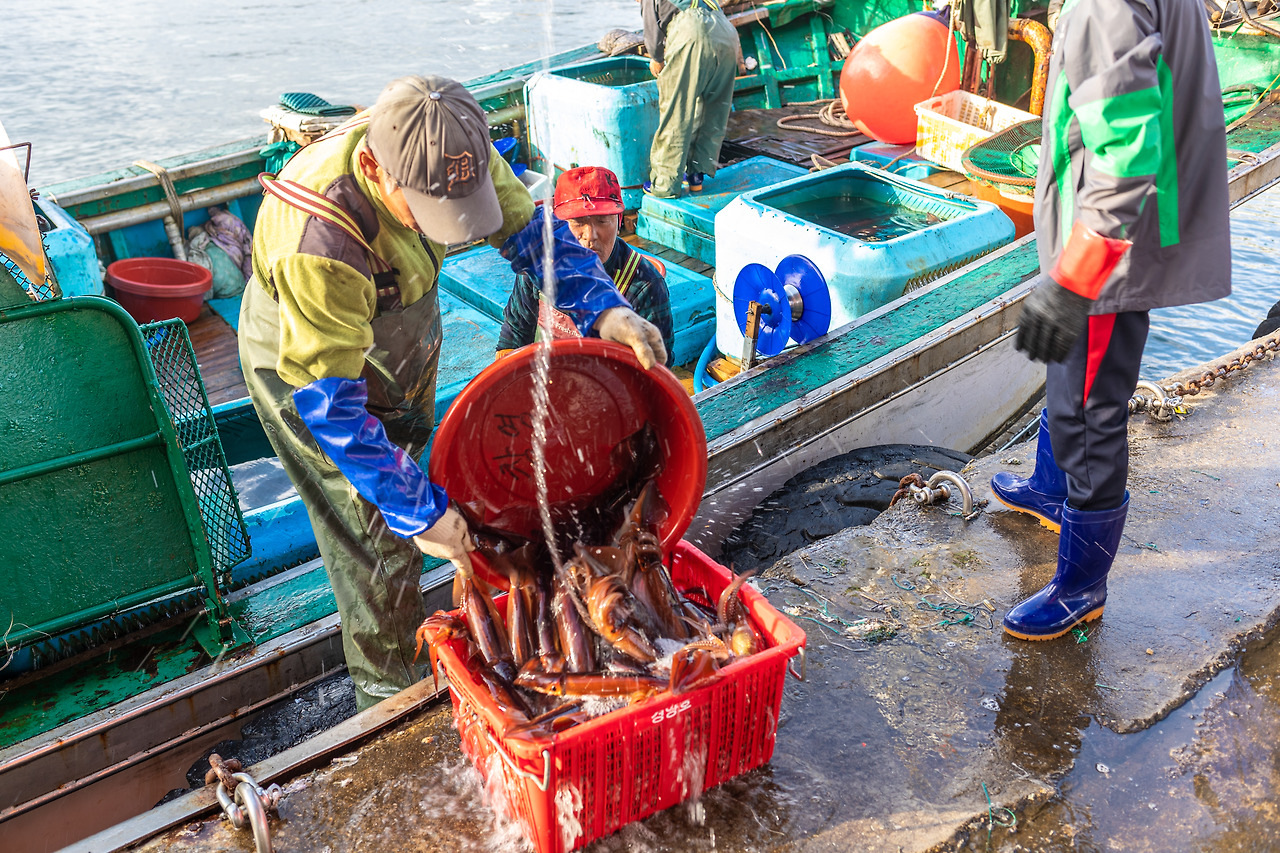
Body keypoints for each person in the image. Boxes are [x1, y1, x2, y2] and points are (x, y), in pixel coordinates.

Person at [239, 75, 667, 709]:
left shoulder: (452, 143)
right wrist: (416, 511)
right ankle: (389, 700)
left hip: (399, 329)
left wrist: (605, 307)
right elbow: (333, 407)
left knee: (423, 474)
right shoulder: (319, 243)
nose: (451, 230)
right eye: (431, 211)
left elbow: (532, 235)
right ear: (374, 170)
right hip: (310, 369)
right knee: (376, 538)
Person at [989, 0, 1230, 640]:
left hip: (1105, 250)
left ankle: (1081, 587)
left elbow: (1126, 151)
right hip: (1117, 227)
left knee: (1088, 411)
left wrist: (1075, 277)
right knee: (1065, 372)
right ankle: (1050, 489)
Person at [496, 166, 674, 361]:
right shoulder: (538, 263)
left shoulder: (646, 285)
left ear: (619, 220)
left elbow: (657, 364)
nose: (590, 236)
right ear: (558, 225)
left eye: (602, 221)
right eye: (578, 222)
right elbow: (515, 332)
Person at [641, 0, 738, 198]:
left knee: (676, 111)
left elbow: (652, 32)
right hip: (727, 35)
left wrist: (656, 58)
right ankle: (696, 176)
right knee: (711, 111)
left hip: (694, 32)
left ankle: (664, 185)